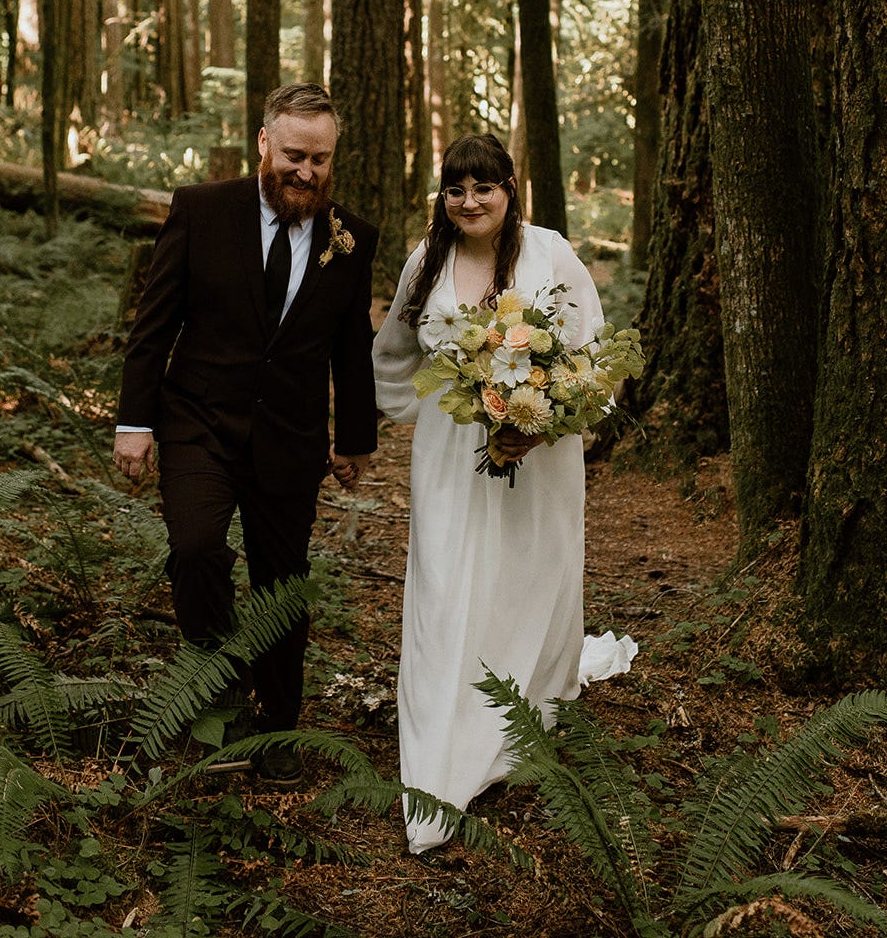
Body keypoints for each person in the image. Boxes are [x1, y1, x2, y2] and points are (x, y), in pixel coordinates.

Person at [372, 133, 635, 853]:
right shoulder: (427, 262)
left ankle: (525, 717)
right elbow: (394, 350)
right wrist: (398, 413)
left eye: (482, 187)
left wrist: (551, 422)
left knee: (528, 577)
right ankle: (441, 754)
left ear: (510, 188)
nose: (469, 202)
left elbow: (591, 352)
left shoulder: (551, 253)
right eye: (455, 189)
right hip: (450, 456)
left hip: (539, 454)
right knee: (445, 586)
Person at [114, 84, 378, 784]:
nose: (308, 173)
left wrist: (354, 438)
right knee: (196, 547)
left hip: (289, 438)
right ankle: (219, 673)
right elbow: (154, 326)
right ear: (264, 143)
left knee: (281, 583)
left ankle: (278, 728)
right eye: (295, 155)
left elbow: (352, 348)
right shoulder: (201, 210)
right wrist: (135, 422)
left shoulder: (351, 238)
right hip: (199, 420)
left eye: (321, 160)